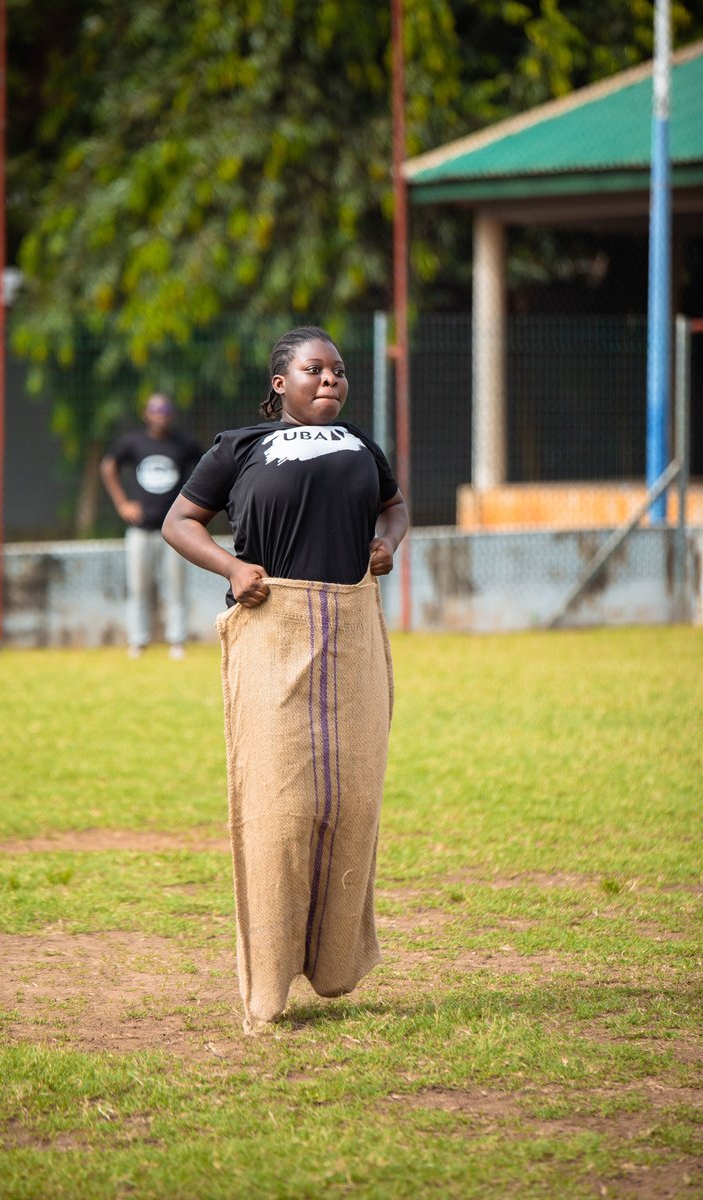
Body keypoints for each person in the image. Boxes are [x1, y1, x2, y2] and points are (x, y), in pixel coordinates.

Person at [163, 326, 408, 1032]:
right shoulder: (238, 447)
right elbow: (179, 523)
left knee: (352, 800)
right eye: (314, 370)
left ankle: (333, 963)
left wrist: (386, 543)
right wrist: (234, 569)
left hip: (352, 630)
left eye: (338, 371)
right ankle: (268, 984)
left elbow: (393, 505)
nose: (331, 380)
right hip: (273, 629)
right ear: (281, 384)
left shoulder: (361, 443)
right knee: (279, 809)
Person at [100, 393, 202, 658]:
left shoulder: (183, 444)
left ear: (171, 414)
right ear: (146, 414)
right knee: (138, 587)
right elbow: (108, 466)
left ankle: (177, 641)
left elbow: (207, 467)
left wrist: (195, 508)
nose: (160, 416)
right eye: (155, 411)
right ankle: (137, 641)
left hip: (175, 531)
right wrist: (122, 503)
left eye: (164, 411)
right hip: (140, 529)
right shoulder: (133, 442)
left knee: (177, 586)